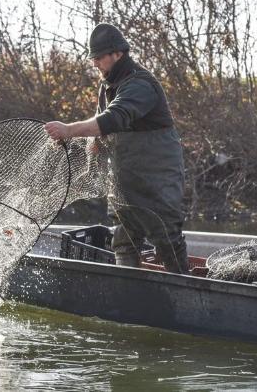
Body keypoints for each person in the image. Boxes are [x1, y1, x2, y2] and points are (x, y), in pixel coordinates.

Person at [44, 23, 189, 274]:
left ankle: (183, 289)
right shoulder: (108, 85)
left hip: (158, 178)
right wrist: (94, 144)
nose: (94, 64)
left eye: (99, 57)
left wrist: (68, 129)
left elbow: (114, 118)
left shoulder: (141, 85)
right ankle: (130, 290)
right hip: (126, 179)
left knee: (165, 235)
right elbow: (103, 126)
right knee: (124, 239)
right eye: (93, 58)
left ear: (117, 54)